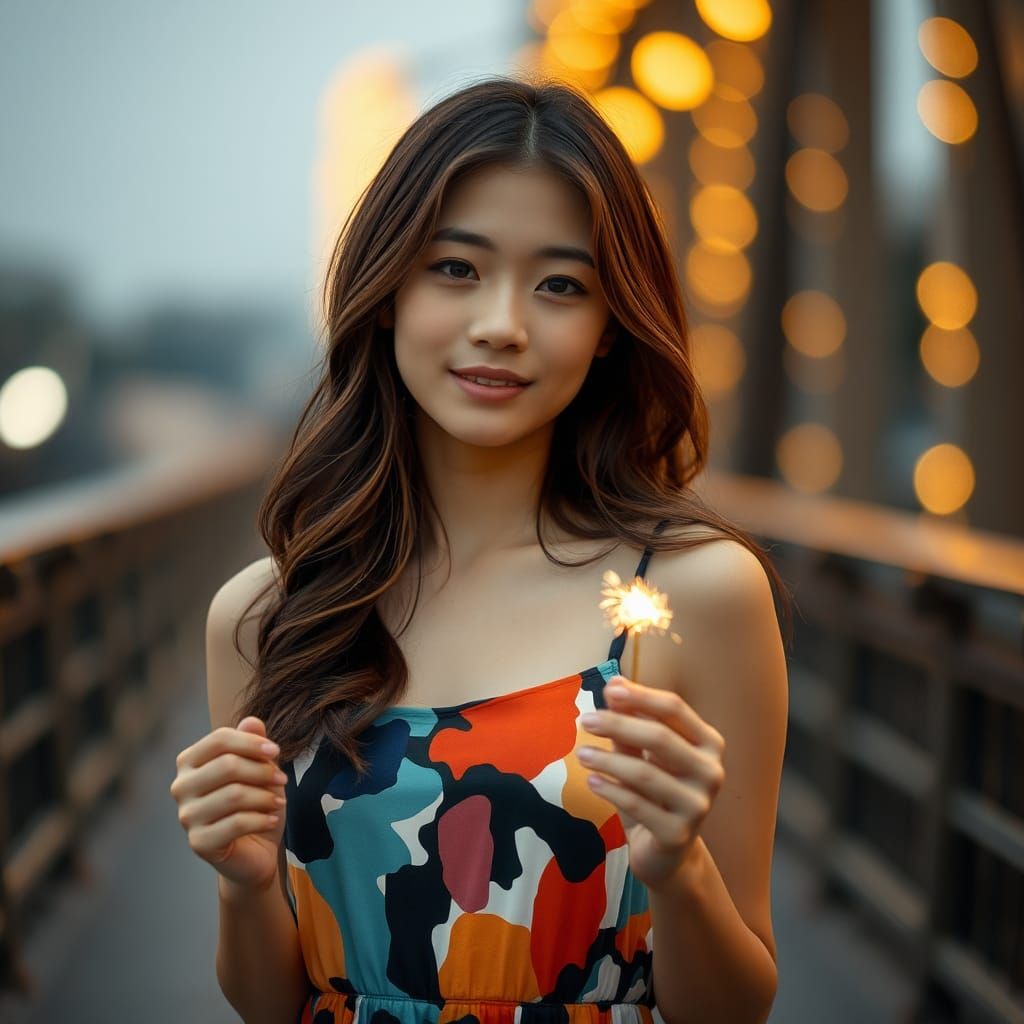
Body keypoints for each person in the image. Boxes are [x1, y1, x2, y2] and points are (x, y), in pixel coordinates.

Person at [170, 75, 792, 1024]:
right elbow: (272, 1005)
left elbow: (736, 1007)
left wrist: (681, 868)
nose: (502, 323)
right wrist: (246, 882)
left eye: (560, 285)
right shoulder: (267, 617)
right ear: (384, 295)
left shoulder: (695, 592)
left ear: (610, 329)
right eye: (456, 268)